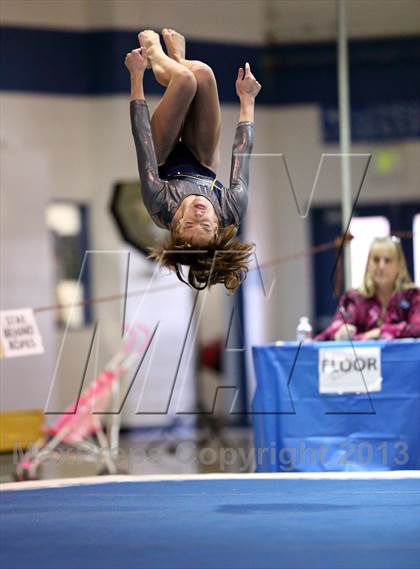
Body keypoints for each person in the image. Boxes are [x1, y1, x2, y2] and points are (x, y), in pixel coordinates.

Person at [124, 29, 261, 291]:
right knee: (204, 74)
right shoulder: (232, 210)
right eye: (206, 223)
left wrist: (137, 75)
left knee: (186, 81)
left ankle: (156, 53)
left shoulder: (159, 204)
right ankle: (176, 58)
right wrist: (247, 100)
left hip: (161, 154)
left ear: (176, 225)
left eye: (189, 223)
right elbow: (242, 151)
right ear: (218, 228)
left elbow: (142, 139)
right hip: (203, 160)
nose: (199, 213)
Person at [316, 236, 420, 341]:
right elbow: (331, 330)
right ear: (368, 264)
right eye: (376, 260)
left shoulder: (413, 296)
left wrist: (380, 332)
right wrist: (340, 331)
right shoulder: (353, 298)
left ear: (399, 266)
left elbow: (417, 328)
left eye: (387, 260)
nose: (381, 266)